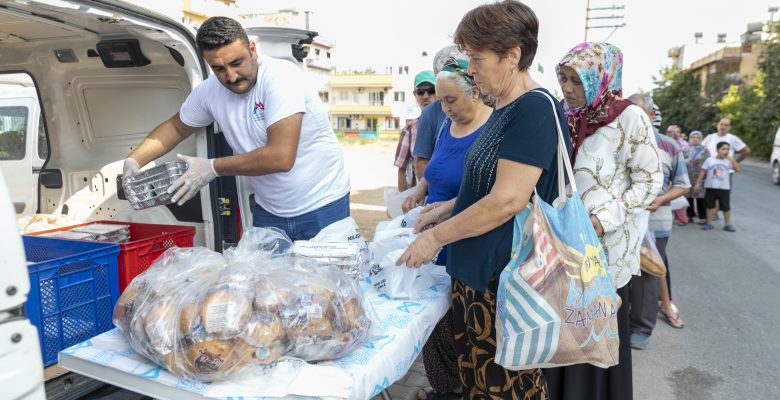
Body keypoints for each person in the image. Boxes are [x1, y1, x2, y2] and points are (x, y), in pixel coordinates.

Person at [397, 2, 565, 398]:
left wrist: (436, 238)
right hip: (478, 278)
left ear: (513, 56)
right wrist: (447, 208)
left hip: (505, 286)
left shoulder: (534, 110)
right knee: (475, 384)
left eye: (476, 58)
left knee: (504, 389)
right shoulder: (504, 108)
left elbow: (508, 201)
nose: (470, 69)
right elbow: (493, 186)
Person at [121, 17, 350, 241]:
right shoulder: (209, 91)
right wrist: (134, 160)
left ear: (252, 49)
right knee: (268, 279)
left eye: (236, 63)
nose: (231, 76)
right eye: (218, 68)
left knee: (322, 279)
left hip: (322, 203)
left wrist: (212, 168)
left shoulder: (281, 79)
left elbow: (281, 157)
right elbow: (177, 127)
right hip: (270, 210)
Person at [544, 42, 662, 400]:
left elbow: (649, 181)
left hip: (605, 252)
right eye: (562, 78)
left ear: (601, 79)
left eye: (576, 80)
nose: (566, 88)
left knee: (597, 339)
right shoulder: (562, 116)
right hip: (563, 247)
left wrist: (603, 218)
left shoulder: (629, 117)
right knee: (563, 334)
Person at [401, 57, 493, 400]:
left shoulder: (492, 128)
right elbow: (435, 166)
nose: (444, 107)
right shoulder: (445, 125)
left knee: (460, 326)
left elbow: (488, 193)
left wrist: (445, 211)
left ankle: (458, 390)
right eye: (440, 100)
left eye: (450, 99)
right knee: (434, 325)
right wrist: (421, 190)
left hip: (463, 238)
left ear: (476, 91)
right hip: (433, 234)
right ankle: (442, 388)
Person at [628, 94, 690, 347]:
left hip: (656, 224)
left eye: (640, 112)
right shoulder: (621, 141)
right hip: (623, 222)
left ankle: (642, 329)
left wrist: (661, 199)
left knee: (648, 275)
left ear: (652, 115)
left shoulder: (669, 146)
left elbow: (682, 185)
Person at [412, 46, 465, 181]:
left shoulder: (488, 107)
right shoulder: (431, 113)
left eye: (430, 91)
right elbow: (421, 162)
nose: (447, 108)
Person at [394, 70, 437, 192]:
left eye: (431, 91)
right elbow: (402, 168)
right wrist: (402, 198)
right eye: (420, 92)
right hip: (419, 198)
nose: (426, 96)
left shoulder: (450, 125)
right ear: (415, 95)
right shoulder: (410, 128)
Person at [696, 142, 740, 232]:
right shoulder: (710, 160)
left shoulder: (728, 161)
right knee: (709, 206)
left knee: (726, 207)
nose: (726, 151)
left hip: (724, 188)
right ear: (717, 150)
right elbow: (703, 171)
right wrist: (698, 183)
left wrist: (732, 159)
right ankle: (709, 223)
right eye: (723, 149)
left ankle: (727, 224)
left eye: (727, 149)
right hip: (711, 186)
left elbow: (737, 169)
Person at [685, 131, 710, 223]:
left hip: (701, 177)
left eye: (697, 137)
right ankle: (689, 215)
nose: (695, 139)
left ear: (701, 139)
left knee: (700, 197)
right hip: (688, 177)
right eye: (693, 137)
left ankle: (702, 216)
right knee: (688, 197)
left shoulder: (705, 150)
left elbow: (709, 163)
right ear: (689, 138)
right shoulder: (685, 149)